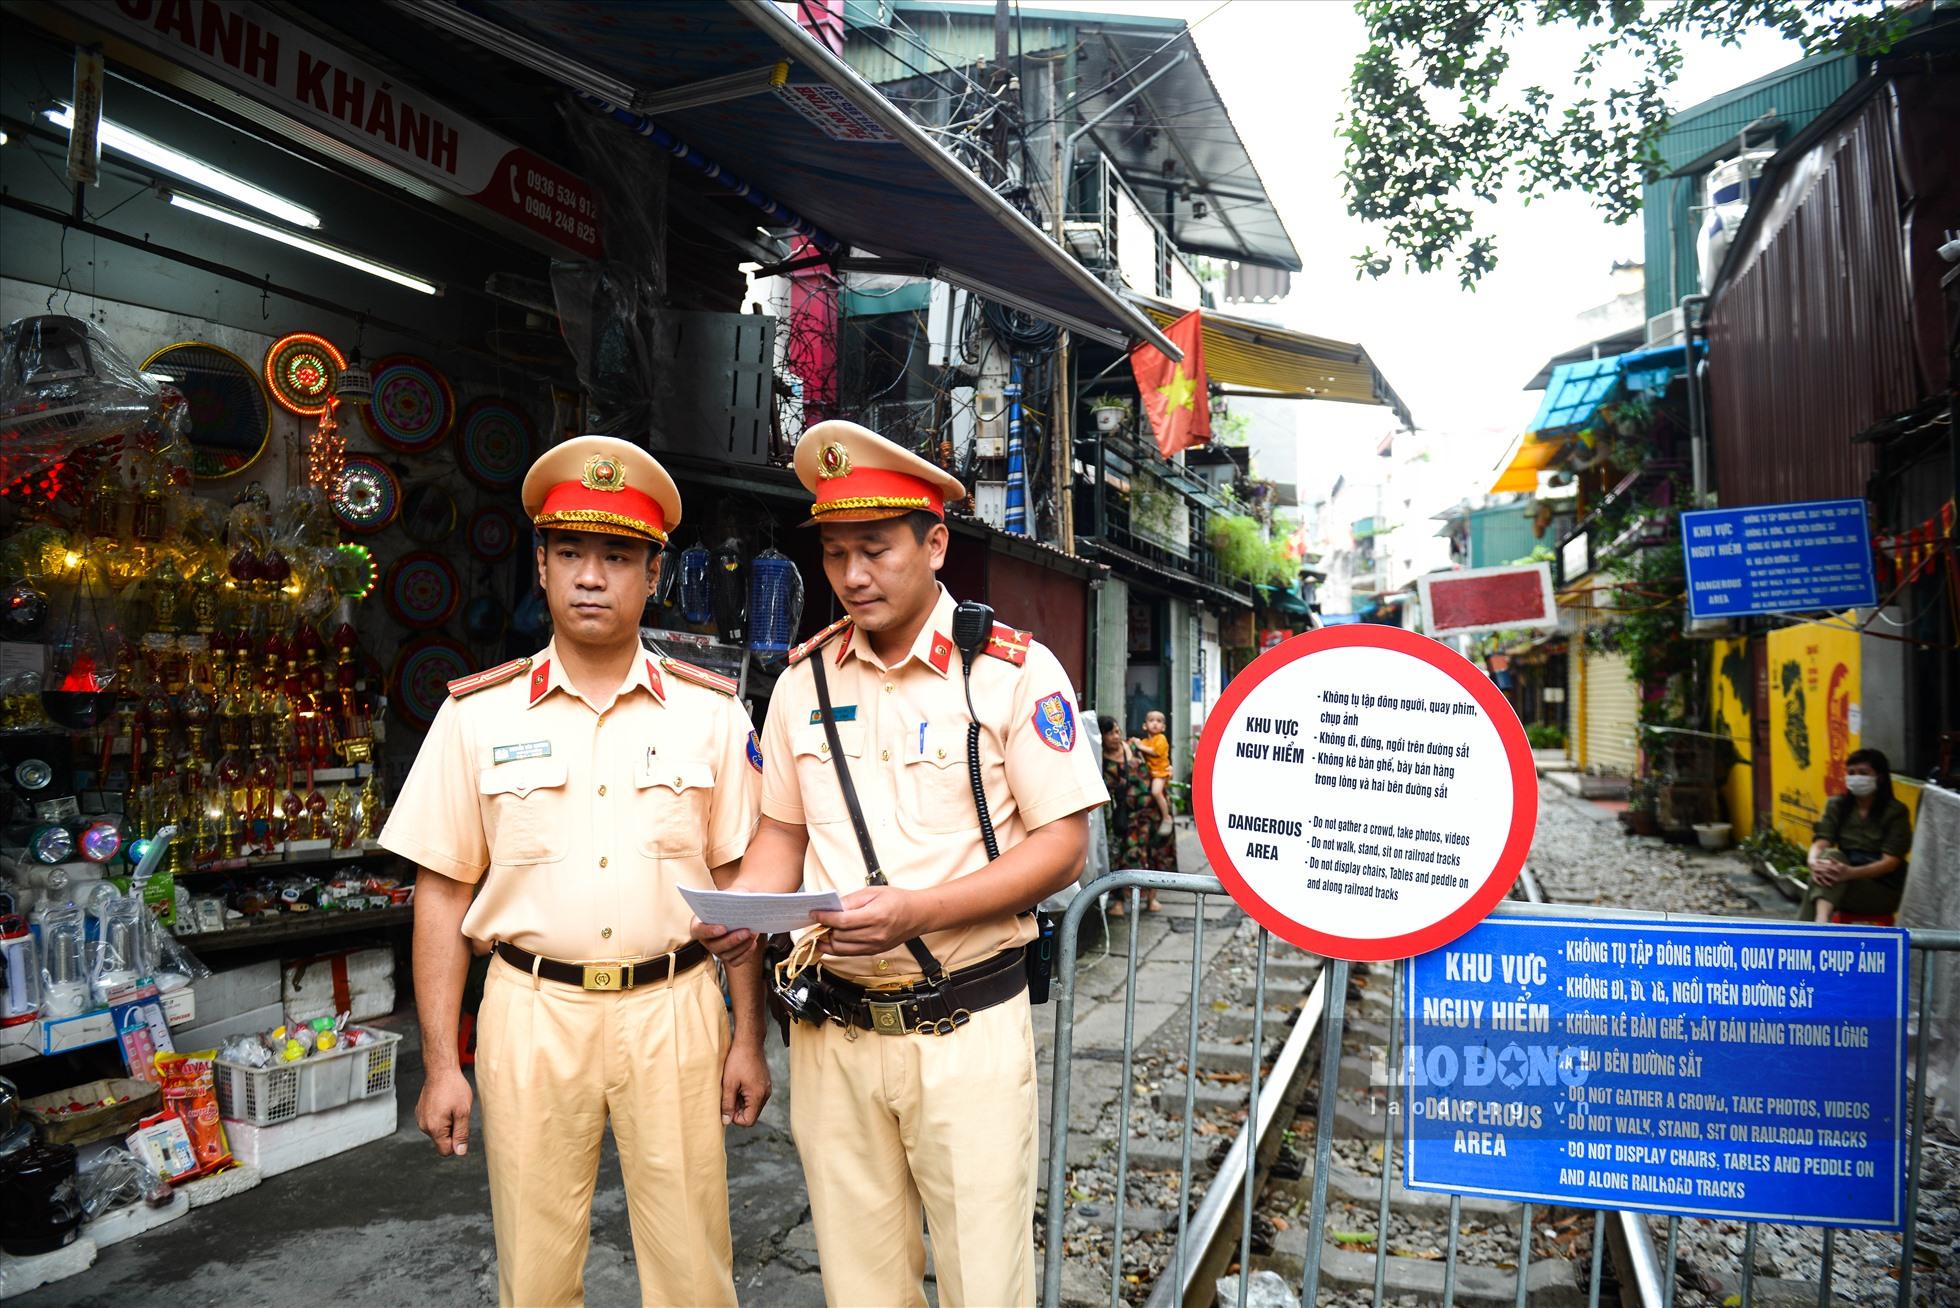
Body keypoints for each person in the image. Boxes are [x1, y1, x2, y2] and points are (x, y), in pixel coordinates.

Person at [692, 419, 1108, 1308]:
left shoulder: (1010, 673)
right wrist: (739, 908)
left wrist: (917, 910)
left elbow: (1064, 847)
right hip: (832, 1037)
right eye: (836, 553)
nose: (850, 575)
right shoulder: (804, 681)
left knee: (982, 1284)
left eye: (875, 549)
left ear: (936, 543)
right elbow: (780, 840)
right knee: (861, 1288)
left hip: (966, 1032)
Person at [379, 435, 770, 1308]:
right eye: (571, 554)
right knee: (536, 1266)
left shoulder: (711, 715)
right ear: (542, 567)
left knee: (693, 1267)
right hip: (529, 1013)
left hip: (672, 1011)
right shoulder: (475, 717)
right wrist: (443, 1062)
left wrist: (749, 1036)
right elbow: (441, 895)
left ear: (654, 573)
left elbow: (741, 887)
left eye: (617, 556)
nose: (592, 576)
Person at [1802, 747, 1914, 924]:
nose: (1856, 778)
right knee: (1829, 860)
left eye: (1863, 773)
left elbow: (1890, 863)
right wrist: (1814, 863)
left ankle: (1811, 934)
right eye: (1851, 773)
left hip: (1881, 887)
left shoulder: (1895, 812)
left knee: (1828, 874)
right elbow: (1821, 841)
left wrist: (1849, 873)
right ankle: (1821, 921)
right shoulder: (1837, 805)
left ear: (1880, 777)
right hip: (1841, 877)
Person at [1099, 713, 1160, 914]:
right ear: (1102, 737)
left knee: (1151, 853)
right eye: (1111, 733)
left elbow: (1157, 763)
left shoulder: (1133, 747)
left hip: (1151, 810)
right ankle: (1120, 902)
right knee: (1126, 855)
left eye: (1118, 731)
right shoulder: (1103, 763)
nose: (1117, 736)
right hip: (1128, 816)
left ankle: (1151, 898)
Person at [1130, 708, 1175, 834]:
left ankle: (1167, 818)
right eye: (1151, 720)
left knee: (1156, 792)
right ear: (1145, 726)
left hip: (1160, 773)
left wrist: (1140, 746)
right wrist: (1134, 742)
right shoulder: (1145, 741)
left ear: (1164, 727)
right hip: (1151, 774)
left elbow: (1155, 752)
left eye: (1159, 721)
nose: (1155, 723)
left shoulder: (1161, 738)